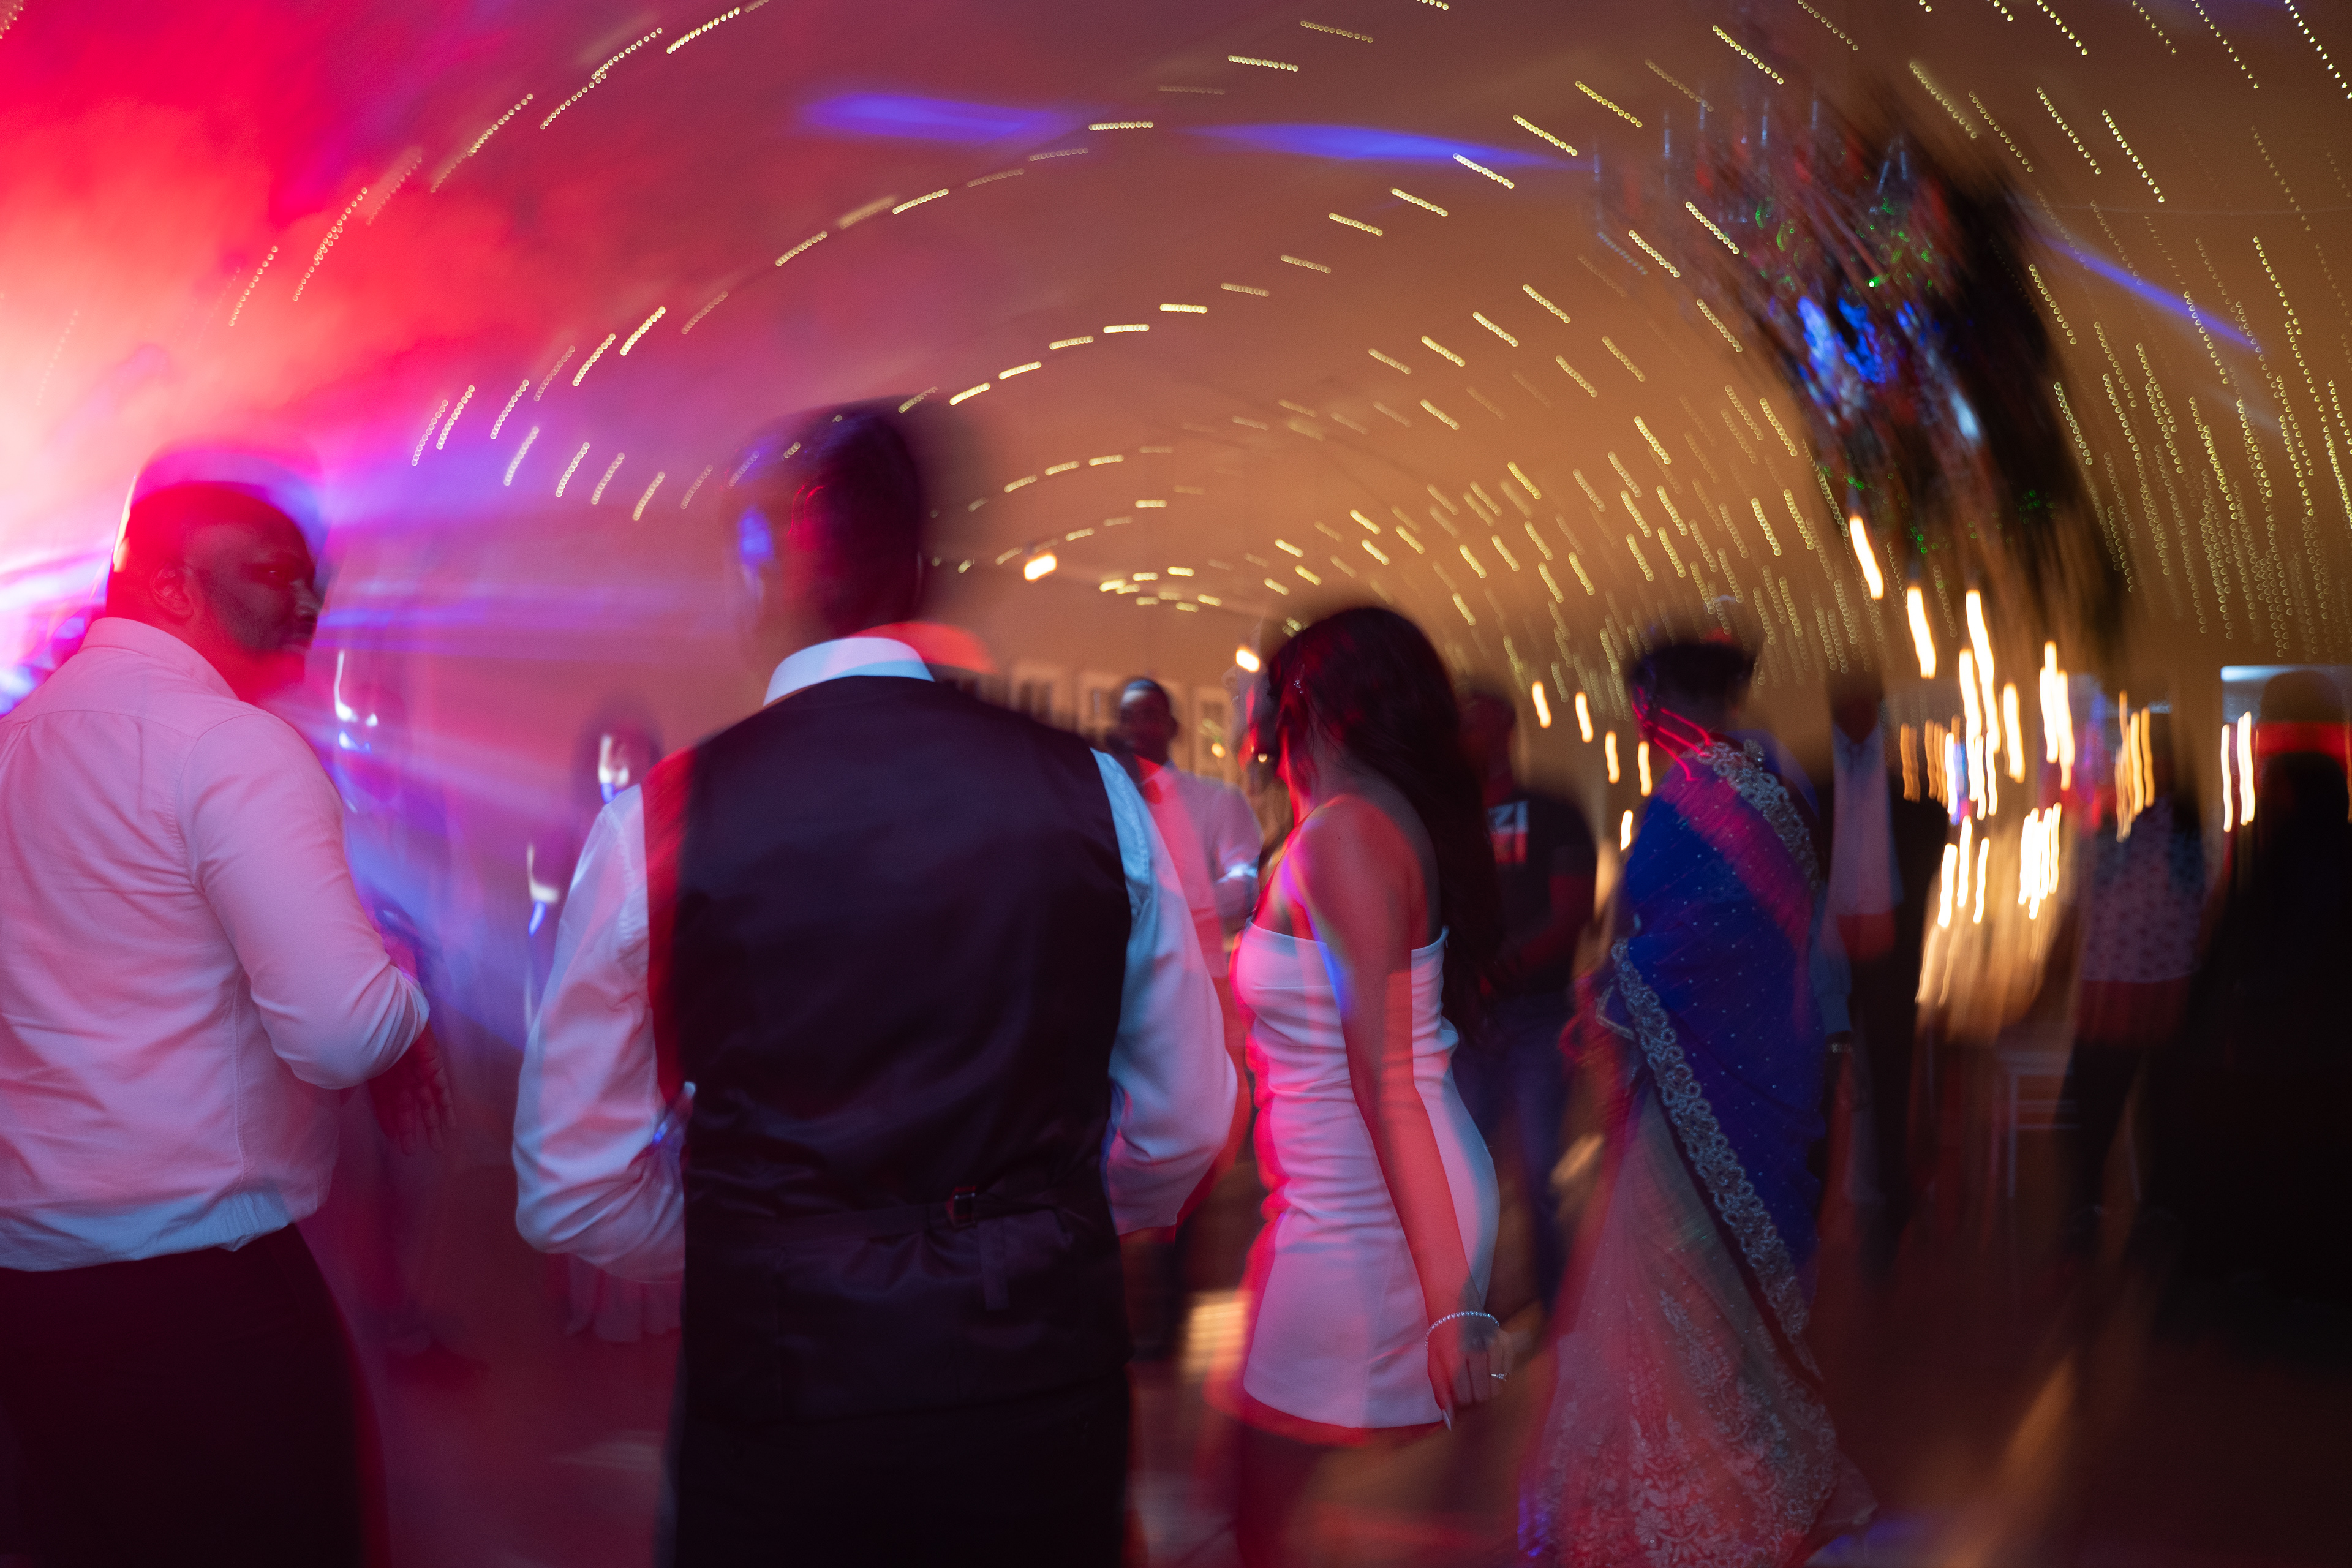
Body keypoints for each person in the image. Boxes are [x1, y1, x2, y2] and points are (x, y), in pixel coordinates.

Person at [511, 404, 1236, 1566]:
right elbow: (1188, 1126)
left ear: (779, 562)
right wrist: (1040, 1230)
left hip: (784, 1389)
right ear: (925, 566)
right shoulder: (1100, 794)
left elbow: (573, 1186)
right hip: (1037, 1379)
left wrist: (761, 1245)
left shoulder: (663, 818)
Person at [0, 450, 446, 1566]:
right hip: (200, 1301)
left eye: (312, 577)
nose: (307, 602)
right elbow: (341, 1030)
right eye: (270, 571)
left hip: (27, 1292)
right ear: (167, 584)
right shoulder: (230, 747)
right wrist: (403, 996)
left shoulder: (15, 745)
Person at [1522, 634, 1872, 1567]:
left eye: (1640, 704)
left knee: (1677, 1289)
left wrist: (1607, 990)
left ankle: (1702, 1495)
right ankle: (1727, 1477)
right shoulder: (1775, 790)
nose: (1639, 722)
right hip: (1756, 1061)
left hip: (1702, 1084)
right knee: (1710, 1292)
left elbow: (1704, 940)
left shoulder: (1697, 796)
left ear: (1655, 702)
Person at [1219, 606, 1507, 1567]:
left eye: (1272, 690)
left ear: (1316, 707)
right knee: (1270, 1499)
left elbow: (1386, 1084)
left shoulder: (1341, 838)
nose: (1256, 712)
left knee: (1254, 1505)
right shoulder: (1364, 823)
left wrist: (1451, 1304)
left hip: (1365, 1214)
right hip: (1356, 1197)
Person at [1455, 682, 1594, 1319]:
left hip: (1537, 1016)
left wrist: (1492, 972)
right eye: (1462, 726)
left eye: (1478, 723)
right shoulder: (1444, 820)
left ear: (1507, 728)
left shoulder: (1553, 811)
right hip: (1471, 1022)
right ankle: (1471, 1307)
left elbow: (1570, 915)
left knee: (1537, 1172)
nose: (1468, 737)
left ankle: (1554, 1302)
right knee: (1468, 1175)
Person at [1818, 671, 1953, 1268]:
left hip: (1884, 958)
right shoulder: (1823, 789)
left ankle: (1886, 1215)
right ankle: (1828, 1212)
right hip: (1834, 959)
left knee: (1887, 1086)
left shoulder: (1905, 798)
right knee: (1823, 1087)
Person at [2060, 710, 2202, 1257]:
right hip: (2164, 997)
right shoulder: (2184, 834)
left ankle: (2089, 1216)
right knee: (2155, 1118)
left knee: (2093, 1119)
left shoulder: (2117, 833)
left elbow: (2079, 913)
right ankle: (2151, 1218)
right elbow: (2200, 911)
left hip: (2116, 998)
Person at [1112, 676, 1262, 965]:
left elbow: (1248, 881)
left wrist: (1177, 906)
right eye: (1127, 718)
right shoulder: (1105, 802)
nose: (1136, 728)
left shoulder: (1217, 801)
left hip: (1194, 970)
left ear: (1174, 728)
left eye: (1149, 716)